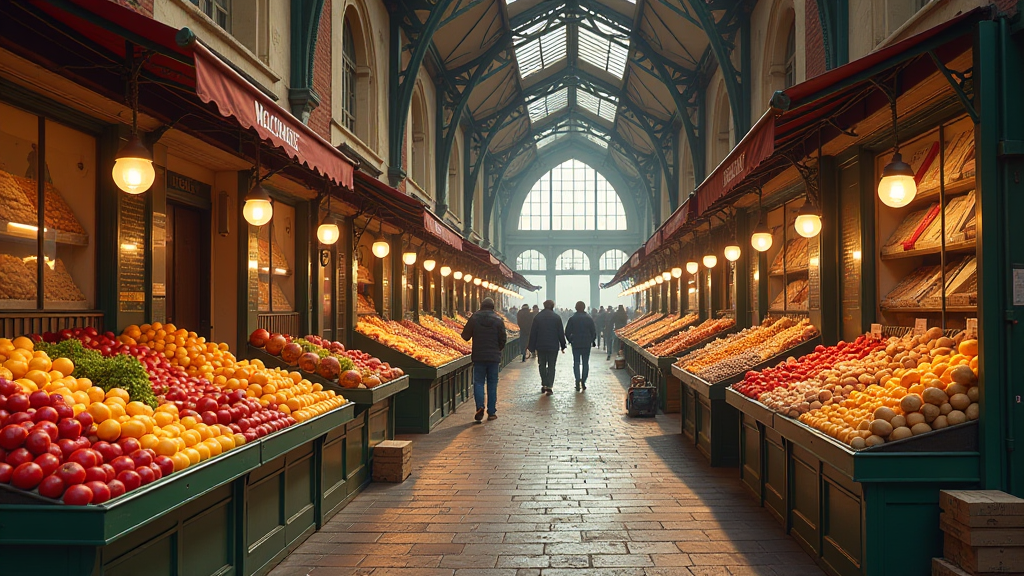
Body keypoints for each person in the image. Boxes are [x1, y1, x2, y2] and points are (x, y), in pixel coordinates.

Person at [461, 297, 507, 422]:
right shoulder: (498, 320)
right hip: (493, 357)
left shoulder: (474, 318)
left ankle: (479, 407)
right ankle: (491, 412)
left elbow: (465, 336)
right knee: (492, 383)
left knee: (479, 382)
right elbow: (503, 339)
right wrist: (498, 349)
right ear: (493, 307)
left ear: (481, 306)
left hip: (479, 356)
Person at [527, 300, 565, 395]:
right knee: (552, 366)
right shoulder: (557, 317)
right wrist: (563, 345)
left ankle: (544, 383)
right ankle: (549, 386)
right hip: (553, 346)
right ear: (552, 306)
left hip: (541, 346)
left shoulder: (538, 317)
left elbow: (533, 333)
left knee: (542, 365)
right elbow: (560, 333)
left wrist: (531, 346)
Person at [565, 302, 598, 391]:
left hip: (576, 343)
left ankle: (577, 380)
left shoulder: (572, 319)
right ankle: (583, 381)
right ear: (584, 308)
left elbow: (567, 332)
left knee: (576, 363)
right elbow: (593, 332)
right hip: (586, 344)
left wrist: (570, 340)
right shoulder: (589, 319)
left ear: (576, 308)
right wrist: (591, 340)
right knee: (585, 363)